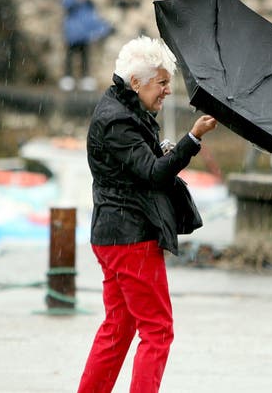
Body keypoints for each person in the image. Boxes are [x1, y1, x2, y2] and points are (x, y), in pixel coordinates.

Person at [77, 36, 217, 393]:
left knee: (118, 329)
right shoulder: (117, 120)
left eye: (168, 82)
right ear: (136, 82)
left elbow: (142, 164)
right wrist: (192, 139)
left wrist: (170, 147)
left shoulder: (124, 109)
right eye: (163, 82)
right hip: (130, 237)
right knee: (158, 331)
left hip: (115, 236)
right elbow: (153, 173)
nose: (168, 90)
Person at [60, 0, 112, 92]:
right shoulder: (71, 1)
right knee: (70, 58)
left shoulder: (88, 5)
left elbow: (93, 19)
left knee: (85, 58)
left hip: (84, 36)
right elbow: (66, 4)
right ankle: (68, 78)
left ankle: (85, 78)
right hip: (73, 36)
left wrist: (102, 29)